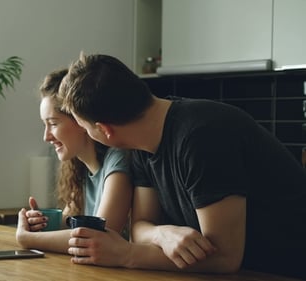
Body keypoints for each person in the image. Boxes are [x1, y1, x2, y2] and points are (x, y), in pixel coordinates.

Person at [58, 52, 306, 279]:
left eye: (85, 127)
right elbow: (141, 227)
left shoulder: (202, 137)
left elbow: (225, 257)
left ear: (104, 130)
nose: (86, 133)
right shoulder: (142, 142)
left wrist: (125, 255)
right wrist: (162, 234)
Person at [15, 68, 133, 254]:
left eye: (53, 123)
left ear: (80, 119)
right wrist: (40, 221)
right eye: (44, 125)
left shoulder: (118, 160)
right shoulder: (79, 167)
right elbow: (68, 222)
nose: (46, 136)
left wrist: (28, 238)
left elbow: (96, 237)